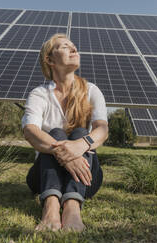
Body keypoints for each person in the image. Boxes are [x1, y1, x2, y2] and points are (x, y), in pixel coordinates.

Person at [22, 33, 108, 232]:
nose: (73, 49)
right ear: (49, 59)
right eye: (64, 46)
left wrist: (79, 146)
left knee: (79, 132)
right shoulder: (39, 94)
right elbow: (30, 130)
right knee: (56, 133)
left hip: (86, 176)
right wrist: (65, 154)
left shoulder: (91, 90)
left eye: (73, 46)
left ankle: (72, 208)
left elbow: (102, 129)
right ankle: (51, 206)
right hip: (42, 176)